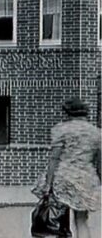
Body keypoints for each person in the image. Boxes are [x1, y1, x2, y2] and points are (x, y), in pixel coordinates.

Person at [35, 98, 101, 238]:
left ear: (67, 113)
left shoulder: (61, 130)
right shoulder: (96, 132)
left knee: (58, 219)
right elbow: (99, 161)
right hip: (85, 178)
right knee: (82, 220)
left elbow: (54, 158)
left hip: (62, 178)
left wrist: (48, 184)